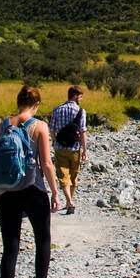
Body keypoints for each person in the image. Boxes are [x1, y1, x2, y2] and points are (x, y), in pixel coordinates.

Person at [0, 85, 59, 278]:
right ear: (37, 104)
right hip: (33, 190)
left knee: (10, 248)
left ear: (18, 101)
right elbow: (47, 164)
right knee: (42, 240)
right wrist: (55, 192)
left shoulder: (2, 126)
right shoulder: (39, 126)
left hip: (7, 191)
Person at [48, 85, 89, 215]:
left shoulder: (57, 110)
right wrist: (85, 150)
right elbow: (82, 132)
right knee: (74, 174)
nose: (81, 99)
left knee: (63, 174)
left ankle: (68, 200)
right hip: (75, 148)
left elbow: (52, 130)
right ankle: (69, 201)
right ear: (76, 96)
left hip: (60, 147)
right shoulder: (81, 111)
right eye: (80, 97)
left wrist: (55, 142)